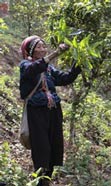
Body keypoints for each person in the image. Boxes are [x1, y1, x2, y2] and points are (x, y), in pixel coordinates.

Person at [19, 35, 81, 186]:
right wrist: (55, 53)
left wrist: (78, 62)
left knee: (54, 146)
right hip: (37, 113)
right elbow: (34, 69)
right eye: (39, 47)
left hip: (53, 112)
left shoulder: (49, 69)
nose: (43, 49)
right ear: (30, 51)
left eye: (44, 47)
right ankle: (40, 181)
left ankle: (47, 180)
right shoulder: (26, 65)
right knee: (42, 149)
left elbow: (65, 78)